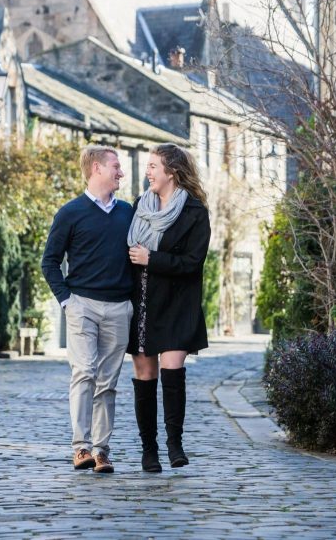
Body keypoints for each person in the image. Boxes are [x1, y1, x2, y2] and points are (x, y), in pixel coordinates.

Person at [41, 145, 134, 474]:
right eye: (115, 167)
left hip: (120, 307)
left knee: (108, 382)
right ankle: (80, 447)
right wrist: (68, 301)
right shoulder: (70, 213)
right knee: (84, 372)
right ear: (96, 169)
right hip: (82, 306)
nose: (121, 172)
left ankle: (102, 451)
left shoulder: (128, 213)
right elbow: (49, 262)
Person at [126, 143, 211, 472]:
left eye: (152, 166)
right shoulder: (140, 206)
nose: (147, 172)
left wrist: (153, 259)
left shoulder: (194, 212)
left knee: (173, 370)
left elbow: (193, 262)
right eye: (147, 166)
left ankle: (175, 443)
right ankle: (149, 449)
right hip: (144, 302)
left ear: (171, 172)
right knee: (145, 375)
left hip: (177, 303)